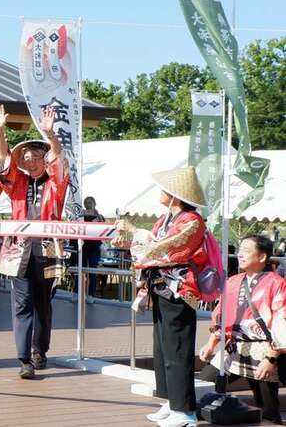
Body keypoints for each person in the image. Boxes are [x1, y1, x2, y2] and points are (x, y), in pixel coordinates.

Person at [113, 166, 207, 427]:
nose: (161, 193)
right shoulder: (167, 219)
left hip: (178, 288)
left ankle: (185, 410)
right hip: (161, 286)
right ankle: (172, 400)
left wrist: (135, 231)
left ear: (175, 195)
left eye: (165, 190)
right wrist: (128, 241)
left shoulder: (192, 221)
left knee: (177, 348)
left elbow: (167, 248)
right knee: (163, 347)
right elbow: (150, 246)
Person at [0, 103, 69, 379]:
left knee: (43, 304)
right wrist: (0, 129)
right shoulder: (17, 182)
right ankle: (24, 358)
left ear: (43, 158)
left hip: (47, 248)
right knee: (21, 303)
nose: (28, 160)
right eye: (24, 156)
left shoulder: (56, 182)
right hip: (18, 248)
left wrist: (51, 136)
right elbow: (2, 161)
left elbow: (59, 159)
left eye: (34, 155)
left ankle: (40, 350)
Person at [199, 235, 286, 425]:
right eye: (240, 250)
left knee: (268, 410)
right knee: (203, 385)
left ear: (262, 257)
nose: (240, 254)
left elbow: (281, 323)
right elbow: (221, 316)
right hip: (234, 347)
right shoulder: (232, 281)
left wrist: (271, 358)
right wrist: (211, 343)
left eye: (247, 250)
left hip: (263, 350)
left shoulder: (276, 283)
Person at [82, 196, 106, 297]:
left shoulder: (99, 216)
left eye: (90, 201)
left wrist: (98, 219)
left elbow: (104, 229)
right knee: (80, 271)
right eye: (86, 202)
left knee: (93, 271)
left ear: (94, 203)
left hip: (95, 247)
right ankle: (77, 292)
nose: (88, 203)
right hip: (82, 246)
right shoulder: (81, 215)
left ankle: (91, 294)